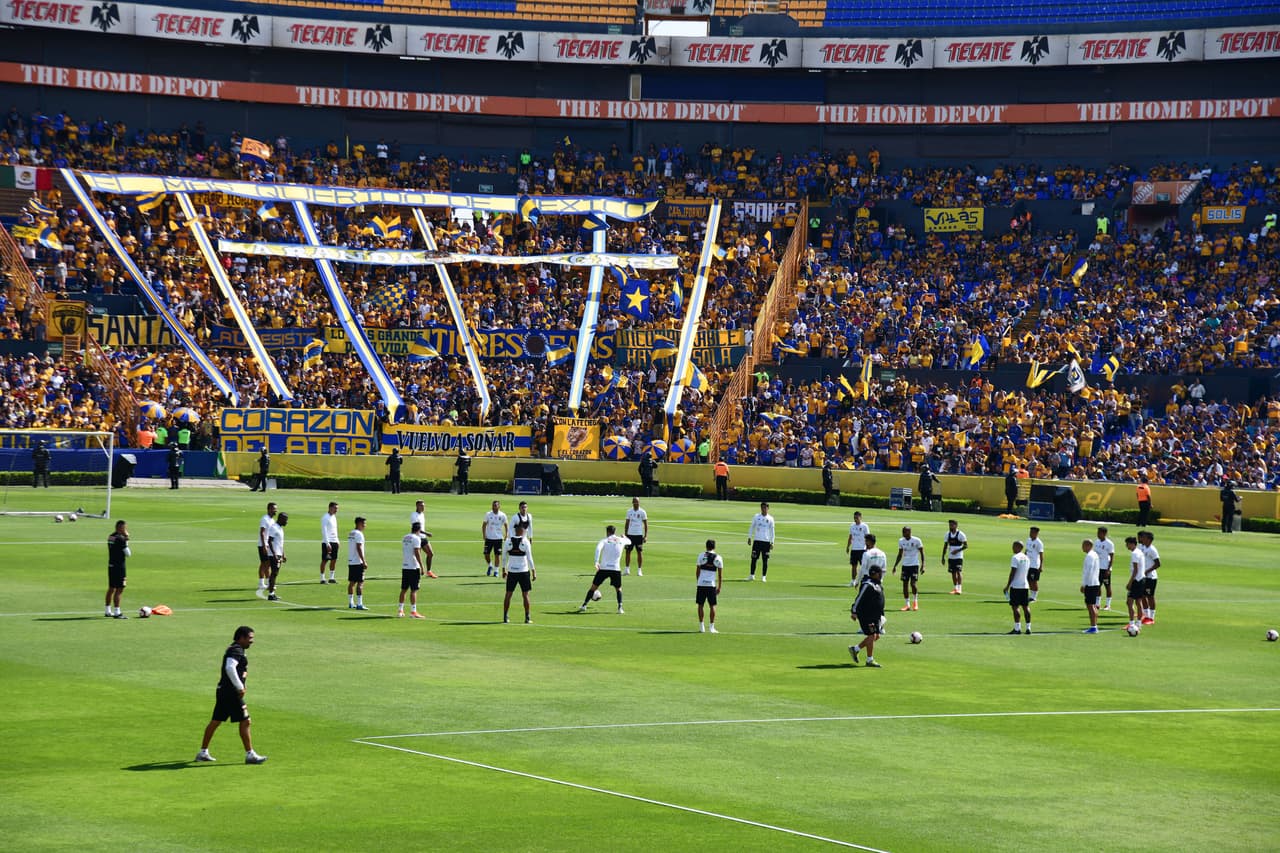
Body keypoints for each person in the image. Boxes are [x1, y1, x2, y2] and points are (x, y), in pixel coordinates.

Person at [195, 626, 268, 764]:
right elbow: (230, 667)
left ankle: (203, 752)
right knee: (246, 721)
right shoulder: (236, 650)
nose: (252, 641)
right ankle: (250, 755)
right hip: (231, 692)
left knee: (216, 721)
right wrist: (240, 687)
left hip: (224, 691)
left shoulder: (234, 649)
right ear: (241, 637)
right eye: (250, 638)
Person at [579, 524, 627, 614]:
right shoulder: (621, 540)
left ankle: (584, 605)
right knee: (618, 589)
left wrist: (596, 562)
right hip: (616, 568)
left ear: (607, 532)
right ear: (614, 531)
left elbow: (598, 549)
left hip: (604, 568)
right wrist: (625, 537)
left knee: (593, 587)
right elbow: (630, 542)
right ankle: (620, 608)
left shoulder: (604, 540)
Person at [848, 563, 885, 668]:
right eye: (880, 573)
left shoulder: (877, 584)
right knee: (872, 635)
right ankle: (869, 659)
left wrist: (881, 614)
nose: (881, 575)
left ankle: (855, 649)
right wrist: (854, 611)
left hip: (876, 616)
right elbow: (859, 598)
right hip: (866, 615)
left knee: (876, 636)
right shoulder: (868, 584)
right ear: (875, 574)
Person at [501, 521, 535, 624]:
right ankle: (527, 617)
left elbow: (504, 558)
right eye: (524, 529)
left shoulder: (507, 542)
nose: (525, 530)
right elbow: (530, 558)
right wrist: (534, 571)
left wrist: (503, 570)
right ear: (521, 530)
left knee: (508, 594)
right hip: (523, 572)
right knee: (525, 595)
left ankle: (505, 616)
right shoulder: (525, 542)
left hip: (512, 572)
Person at [891, 525, 925, 611]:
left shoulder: (917, 540)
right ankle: (907, 605)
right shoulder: (901, 541)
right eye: (903, 532)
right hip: (905, 565)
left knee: (913, 584)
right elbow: (900, 554)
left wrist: (923, 565)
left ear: (909, 532)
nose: (903, 533)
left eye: (905, 532)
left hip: (914, 565)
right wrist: (895, 566)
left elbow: (922, 553)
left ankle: (915, 602)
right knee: (905, 585)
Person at [397, 521, 426, 618]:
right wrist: (422, 566)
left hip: (405, 566)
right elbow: (417, 552)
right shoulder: (416, 538)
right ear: (419, 530)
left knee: (403, 589)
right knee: (414, 590)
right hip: (413, 567)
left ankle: (400, 610)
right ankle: (413, 611)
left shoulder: (405, 537)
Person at [1004, 540, 1032, 635]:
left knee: (1015, 607)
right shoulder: (1027, 558)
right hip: (1025, 585)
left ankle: (1017, 628)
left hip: (1016, 586)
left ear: (1018, 547)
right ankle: (1028, 627)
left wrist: (1007, 586)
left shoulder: (1015, 557)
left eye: (1014, 546)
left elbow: (1013, 572)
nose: (1012, 548)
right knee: (1026, 606)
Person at [695, 538, 723, 634]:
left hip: (701, 584)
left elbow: (697, 571)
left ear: (706, 546)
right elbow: (720, 574)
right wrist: (719, 587)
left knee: (700, 605)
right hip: (711, 585)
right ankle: (711, 627)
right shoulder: (718, 558)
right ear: (714, 547)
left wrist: (698, 581)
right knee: (712, 605)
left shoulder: (701, 555)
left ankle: (701, 626)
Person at [104, 519, 130, 619]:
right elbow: (128, 554)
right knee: (119, 589)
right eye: (125, 528)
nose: (126, 530)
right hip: (119, 566)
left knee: (111, 588)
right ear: (121, 528)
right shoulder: (120, 538)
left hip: (111, 565)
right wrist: (126, 538)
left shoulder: (111, 536)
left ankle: (107, 611)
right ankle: (117, 612)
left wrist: (125, 538)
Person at [747, 501, 775, 582]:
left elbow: (772, 531)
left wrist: (772, 542)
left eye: (765, 508)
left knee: (765, 560)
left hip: (766, 542)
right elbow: (752, 527)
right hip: (757, 541)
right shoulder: (756, 516)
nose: (763, 509)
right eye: (762, 508)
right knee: (754, 559)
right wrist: (749, 537)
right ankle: (752, 575)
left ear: (768, 508)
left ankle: (764, 576)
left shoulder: (770, 519)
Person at [1138, 530, 1161, 625]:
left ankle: (1151, 618)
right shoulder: (1142, 547)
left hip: (1151, 577)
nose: (1142, 538)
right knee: (1143, 596)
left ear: (1149, 539)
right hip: (1143, 576)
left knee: (1150, 596)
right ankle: (1146, 616)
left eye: (1144, 537)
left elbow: (1158, 564)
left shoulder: (1152, 549)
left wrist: (1147, 571)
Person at [1079, 538, 1102, 633]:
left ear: (1088, 545)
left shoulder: (1090, 556)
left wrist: (1084, 584)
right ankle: (1094, 625)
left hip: (1090, 583)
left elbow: (1088, 571)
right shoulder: (1095, 554)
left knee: (1090, 606)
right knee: (1093, 605)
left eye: (1083, 545)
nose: (1082, 547)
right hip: (1095, 583)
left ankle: (1093, 627)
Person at [264, 512, 288, 602]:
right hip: (274, 555)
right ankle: (271, 594)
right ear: (281, 519)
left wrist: (283, 554)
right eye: (286, 520)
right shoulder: (274, 528)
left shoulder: (280, 528)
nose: (287, 522)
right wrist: (274, 554)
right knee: (274, 573)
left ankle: (272, 593)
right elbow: (269, 541)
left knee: (275, 573)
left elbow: (280, 543)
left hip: (278, 554)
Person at [410, 499, 437, 578]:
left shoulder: (422, 514)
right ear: (417, 506)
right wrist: (426, 533)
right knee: (417, 556)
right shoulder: (414, 515)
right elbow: (416, 528)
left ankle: (429, 571)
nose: (423, 507)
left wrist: (425, 534)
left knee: (430, 554)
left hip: (423, 538)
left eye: (424, 506)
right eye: (421, 506)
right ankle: (416, 572)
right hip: (416, 538)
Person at [482, 500, 508, 577]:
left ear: (499, 506)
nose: (494, 507)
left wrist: (506, 535)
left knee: (497, 555)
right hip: (489, 538)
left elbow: (506, 525)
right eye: (493, 505)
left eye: (496, 505)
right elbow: (484, 525)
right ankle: (490, 565)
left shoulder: (502, 515)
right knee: (486, 554)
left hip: (498, 538)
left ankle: (496, 571)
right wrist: (484, 535)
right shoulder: (488, 514)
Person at [347, 516, 368, 610]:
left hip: (351, 561)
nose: (365, 525)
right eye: (364, 523)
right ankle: (359, 604)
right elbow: (359, 547)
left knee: (352, 583)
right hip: (358, 562)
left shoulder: (351, 533)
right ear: (359, 523)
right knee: (360, 583)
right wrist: (363, 561)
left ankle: (351, 603)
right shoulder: (359, 534)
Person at [623, 496, 648, 576]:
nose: (635, 503)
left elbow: (646, 524)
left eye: (637, 501)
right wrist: (626, 534)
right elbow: (626, 523)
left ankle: (639, 570)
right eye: (634, 502)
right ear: (632, 502)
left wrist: (645, 536)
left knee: (639, 552)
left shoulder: (642, 512)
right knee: (627, 552)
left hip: (638, 535)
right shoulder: (629, 511)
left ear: (639, 502)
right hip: (630, 535)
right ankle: (627, 569)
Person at [1124, 536, 1144, 632]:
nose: (1126, 546)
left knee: (1129, 602)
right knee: (1138, 602)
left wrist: (1130, 582)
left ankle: (1132, 624)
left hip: (1136, 580)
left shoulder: (1135, 554)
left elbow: (1135, 570)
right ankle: (1138, 623)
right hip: (1141, 579)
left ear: (1132, 544)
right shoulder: (1139, 552)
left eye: (1127, 544)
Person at [942, 518, 967, 594]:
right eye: (950, 525)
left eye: (952, 525)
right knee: (953, 572)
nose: (950, 526)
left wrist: (957, 550)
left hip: (958, 556)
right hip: (951, 557)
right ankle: (955, 588)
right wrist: (943, 557)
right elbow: (945, 546)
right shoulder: (947, 534)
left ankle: (960, 588)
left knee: (958, 571)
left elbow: (966, 545)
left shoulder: (960, 534)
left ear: (956, 525)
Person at [846, 510, 870, 587]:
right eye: (854, 518)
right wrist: (848, 546)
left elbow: (868, 537)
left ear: (860, 517)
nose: (855, 519)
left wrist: (868, 548)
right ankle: (853, 580)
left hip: (862, 549)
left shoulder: (864, 526)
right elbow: (850, 537)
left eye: (857, 518)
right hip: (854, 549)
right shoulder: (852, 526)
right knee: (853, 566)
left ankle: (865, 580)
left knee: (864, 566)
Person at [256, 502, 278, 591]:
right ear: (268, 509)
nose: (275, 511)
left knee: (265, 564)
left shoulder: (272, 520)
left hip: (268, 545)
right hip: (263, 545)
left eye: (276, 509)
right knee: (266, 564)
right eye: (273, 509)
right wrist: (264, 545)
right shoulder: (265, 519)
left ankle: (262, 583)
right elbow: (262, 532)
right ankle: (268, 583)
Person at [1093, 526, 1116, 610]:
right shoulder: (1096, 542)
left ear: (1104, 533)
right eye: (1097, 532)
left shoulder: (1109, 543)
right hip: (1097, 567)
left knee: (1107, 586)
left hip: (1105, 568)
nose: (1098, 534)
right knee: (1097, 585)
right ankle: (1097, 603)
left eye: (1099, 533)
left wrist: (1109, 568)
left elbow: (1112, 556)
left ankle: (1108, 604)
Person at [320, 501, 340, 584]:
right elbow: (324, 531)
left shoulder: (334, 517)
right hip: (327, 542)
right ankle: (322, 578)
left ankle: (331, 577)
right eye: (335, 508)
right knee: (325, 560)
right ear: (330, 508)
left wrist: (337, 540)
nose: (336, 510)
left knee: (334, 559)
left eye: (337, 509)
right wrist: (327, 543)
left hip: (334, 541)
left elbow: (335, 530)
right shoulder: (325, 517)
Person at [1025, 526, 1046, 602]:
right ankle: (1031, 595)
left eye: (1032, 532)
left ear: (1036, 533)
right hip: (1027, 564)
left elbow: (1041, 555)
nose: (1030, 534)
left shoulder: (1039, 543)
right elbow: (1026, 551)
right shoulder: (1028, 540)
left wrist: (1041, 566)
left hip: (1034, 565)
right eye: (1030, 532)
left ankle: (1034, 597)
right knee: (1028, 580)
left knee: (1033, 581)